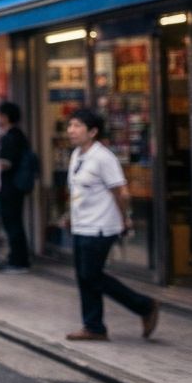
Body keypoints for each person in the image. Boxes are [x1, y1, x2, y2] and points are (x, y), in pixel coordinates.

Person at [63, 109, 159, 341]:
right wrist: (69, 215)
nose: (71, 130)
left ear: (93, 131)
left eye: (77, 126)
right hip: (81, 225)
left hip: (101, 226)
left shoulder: (103, 157)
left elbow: (121, 192)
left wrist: (124, 218)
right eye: (70, 125)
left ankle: (144, 306)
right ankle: (94, 326)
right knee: (84, 276)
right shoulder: (77, 154)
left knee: (91, 275)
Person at [0, 102, 33, 273]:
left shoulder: (12, 136)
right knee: (13, 222)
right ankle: (15, 257)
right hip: (12, 186)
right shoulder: (13, 134)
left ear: (5, 116)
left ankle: (19, 261)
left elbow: (6, 163)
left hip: (11, 186)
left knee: (13, 223)